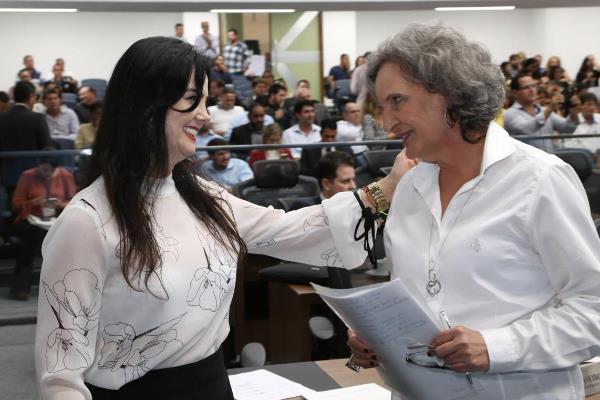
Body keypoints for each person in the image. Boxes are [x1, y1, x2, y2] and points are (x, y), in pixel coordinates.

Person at [35, 36, 410, 399]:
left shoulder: (205, 198)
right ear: (145, 107)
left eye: (206, 101)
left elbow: (293, 229)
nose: (204, 115)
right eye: (191, 100)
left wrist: (387, 187)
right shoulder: (87, 221)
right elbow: (61, 372)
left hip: (212, 385)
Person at [347, 23, 600, 399]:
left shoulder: (538, 180)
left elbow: (592, 310)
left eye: (397, 101)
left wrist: (496, 347)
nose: (386, 123)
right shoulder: (411, 187)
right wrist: (378, 334)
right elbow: (419, 293)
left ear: (448, 95)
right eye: (381, 106)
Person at [10, 153, 76, 300]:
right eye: (42, 170)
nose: (45, 173)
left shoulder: (65, 175)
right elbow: (16, 204)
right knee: (27, 240)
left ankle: (64, 287)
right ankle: (21, 287)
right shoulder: (27, 176)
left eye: (49, 171)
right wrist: (33, 202)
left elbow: (74, 202)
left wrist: (59, 204)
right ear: (38, 166)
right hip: (32, 217)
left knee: (67, 239)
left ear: (56, 168)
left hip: (56, 218)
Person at [0, 81, 52, 193]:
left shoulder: (1, 118)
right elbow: (47, 149)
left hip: (7, 176)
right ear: (31, 96)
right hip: (34, 177)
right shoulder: (38, 118)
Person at [290, 151, 356, 210]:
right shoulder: (304, 208)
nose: (353, 186)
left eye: (353, 179)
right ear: (326, 184)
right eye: (345, 181)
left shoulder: (358, 207)